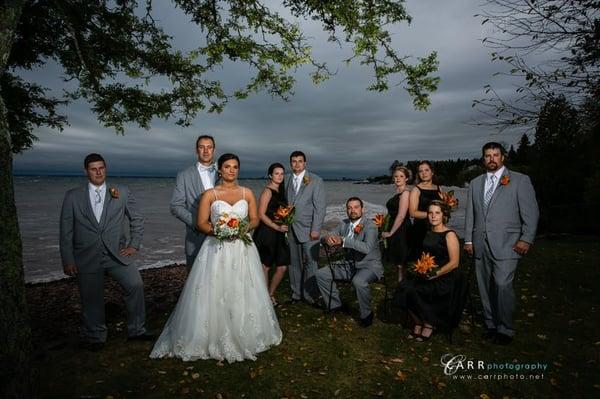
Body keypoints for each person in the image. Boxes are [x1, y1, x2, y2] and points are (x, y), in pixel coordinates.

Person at [150, 153, 282, 362]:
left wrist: (241, 228)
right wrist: (220, 231)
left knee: (242, 287)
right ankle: (211, 333)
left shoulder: (247, 193)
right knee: (215, 288)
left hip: (241, 248)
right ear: (220, 170)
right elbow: (202, 223)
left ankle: (246, 331)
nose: (232, 170)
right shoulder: (210, 195)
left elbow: (255, 219)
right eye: (227, 166)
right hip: (216, 249)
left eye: (235, 167)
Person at [59, 153, 153, 351]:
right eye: (94, 169)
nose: (98, 172)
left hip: (117, 254)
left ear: (105, 168)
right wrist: (68, 259)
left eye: (101, 167)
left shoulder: (121, 192)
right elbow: (66, 231)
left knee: (135, 285)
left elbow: (136, 219)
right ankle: (97, 337)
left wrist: (134, 244)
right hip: (86, 256)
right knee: (90, 297)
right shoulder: (73, 196)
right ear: (86, 171)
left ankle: (137, 330)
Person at [464, 142, 539, 345]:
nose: (492, 159)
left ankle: (505, 328)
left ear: (502, 157)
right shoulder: (475, 183)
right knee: (484, 287)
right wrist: (469, 239)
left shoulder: (519, 181)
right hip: (480, 243)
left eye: (495, 155)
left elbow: (531, 213)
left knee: (502, 285)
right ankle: (490, 324)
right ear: (483, 159)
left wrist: (526, 239)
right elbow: (471, 213)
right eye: (488, 155)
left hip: (508, 243)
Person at [397, 200, 462, 342]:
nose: (433, 216)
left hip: (445, 276)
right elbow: (425, 257)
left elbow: (454, 263)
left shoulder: (449, 234)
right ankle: (418, 322)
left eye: (437, 213)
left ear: (444, 215)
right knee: (404, 287)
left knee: (417, 290)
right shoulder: (428, 232)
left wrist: (434, 274)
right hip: (428, 272)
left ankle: (429, 324)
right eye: (430, 213)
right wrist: (419, 269)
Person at [316, 197, 384, 327]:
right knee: (321, 274)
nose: (353, 210)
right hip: (348, 265)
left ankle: (366, 314)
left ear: (362, 209)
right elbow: (330, 235)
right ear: (347, 210)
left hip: (369, 266)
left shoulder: (371, 226)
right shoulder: (344, 224)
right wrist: (327, 239)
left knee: (358, 281)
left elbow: (367, 248)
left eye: (356, 207)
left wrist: (344, 240)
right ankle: (335, 305)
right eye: (349, 208)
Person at [170, 135, 217, 273]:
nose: (206, 151)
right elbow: (175, 206)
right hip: (196, 237)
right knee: (196, 280)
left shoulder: (225, 170)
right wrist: (198, 224)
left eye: (209, 147)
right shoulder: (184, 175)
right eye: (202, 147)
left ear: (214, 150)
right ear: (197, 150)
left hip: (223, 236)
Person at [284, 151, 326, 304]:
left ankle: (310, 295)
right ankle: (296, 294)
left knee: (311, 262)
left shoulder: (316, 180)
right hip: (290, 229)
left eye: (300, 161)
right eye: (294, 161)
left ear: (305, 163)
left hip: (309, 230)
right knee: (293, 263)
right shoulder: (286, 179)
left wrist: (316, 229)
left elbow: (320, 208)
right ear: (290, 163)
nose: (297, 164)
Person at [252, 163, 291, 306]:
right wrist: (276, 226)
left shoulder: (282, 191)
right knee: (265, 266)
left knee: (282, 267)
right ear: (270, 175)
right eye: (276, 173)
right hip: (267, 232)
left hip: (280, 233)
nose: (279, 176)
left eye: (282, 174)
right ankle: (265, 298)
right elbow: (261, 214)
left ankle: (270, 293)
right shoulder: (267, 191)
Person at [381, 166, 412, 282]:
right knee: (398, 260)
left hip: (402, 228)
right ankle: (401, 285)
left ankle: (402, 286)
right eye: (396, 176)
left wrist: (391, 232)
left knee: (401, 261)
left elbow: (401, 215)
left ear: (407, 179)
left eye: (401, 176)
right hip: (395, 226)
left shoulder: (405, 193)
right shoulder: (398, 193)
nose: (398, 178)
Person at [408, 161, 440, 261]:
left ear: (432, 172)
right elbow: (412, 213)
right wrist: (432, 215)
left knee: (435, 260)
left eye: (426, 170)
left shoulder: (439, 188)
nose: (424, 173)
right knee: (420, 261)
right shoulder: (416, 190)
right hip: (421, 230)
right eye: (420, 171)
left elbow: (443, 208)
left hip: (436, 229)